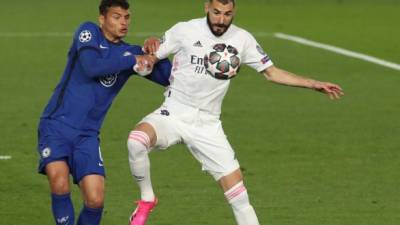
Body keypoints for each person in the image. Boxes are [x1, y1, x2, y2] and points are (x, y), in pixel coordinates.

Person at [127, 0, 344, 225]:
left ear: (234, 11)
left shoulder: (242, 39)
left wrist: (313, 84)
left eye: (228, 14)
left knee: (240, 197)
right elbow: (153, 55)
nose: (221, 20)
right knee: (136, 141)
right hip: (173, 112)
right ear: (206, 8)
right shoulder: (185, 29)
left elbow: (271, 73)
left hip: (208, 124)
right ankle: (147, 199)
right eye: (217, 12)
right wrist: (148, 56)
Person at [36, 0, 171, 225]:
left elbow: (167, 79)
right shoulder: (88, 32)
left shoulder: (131, 52)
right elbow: (92, 67)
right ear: (102, 19)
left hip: (87, 135)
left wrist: (157, 52)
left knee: (95, 200)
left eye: (126, 17)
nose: (123, 22)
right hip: (56, 125)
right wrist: (131, 60)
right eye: (116, 17)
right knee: (59, 182)